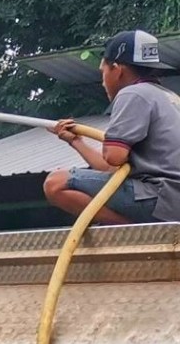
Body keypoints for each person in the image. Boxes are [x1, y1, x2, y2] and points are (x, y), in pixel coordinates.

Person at [45, 29, 180, 225]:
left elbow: (113, 157)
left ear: (117, 70)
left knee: (56, 183)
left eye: (103, 71)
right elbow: (112, 168)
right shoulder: (170, 98)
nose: (102, 81)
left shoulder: (132, 94)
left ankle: (132, 230)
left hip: (158, 197)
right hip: (170, 200)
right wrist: (76, 141)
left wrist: (110, 140)